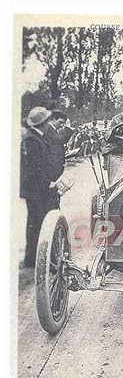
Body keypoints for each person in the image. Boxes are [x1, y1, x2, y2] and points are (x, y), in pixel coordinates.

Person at [20, 107, 60, 268]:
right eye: (47, 121)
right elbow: (33, 168)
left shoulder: (35, 138)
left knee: (36, 223)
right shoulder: (32, 140)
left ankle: (34, 259)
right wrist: (48, 183)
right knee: (39, 224)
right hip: (37, 191)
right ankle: (36, 260)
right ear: (43, 123)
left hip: (37, 189)